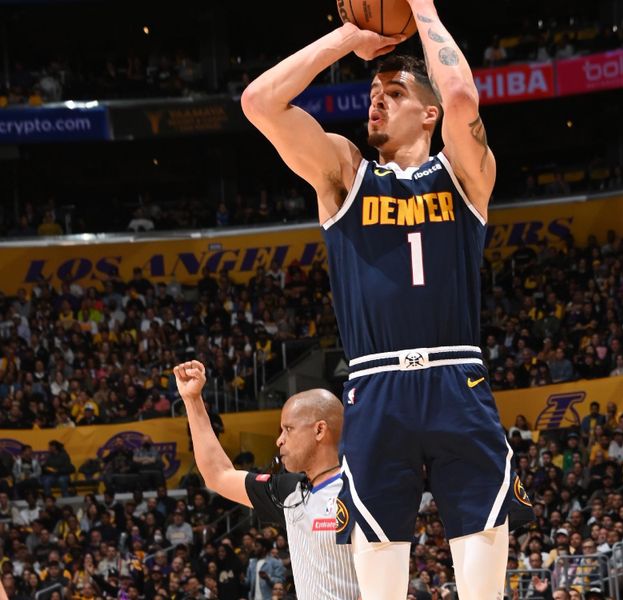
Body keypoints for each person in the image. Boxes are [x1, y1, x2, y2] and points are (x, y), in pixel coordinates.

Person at [241, 2, 534, 598]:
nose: (375, 99)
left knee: (484, 588)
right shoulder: (345, 173)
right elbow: (259, 103)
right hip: (376, 390)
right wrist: (351, 36)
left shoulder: (466, 173)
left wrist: (420, 5)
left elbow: (460, 98)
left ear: (427, 113)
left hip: (458, 382)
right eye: (373, 92)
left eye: (393, 92)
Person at [173, 360, 359, 599]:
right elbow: (218, 475)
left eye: (288, 429)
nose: (279, 440)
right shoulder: (289, 492)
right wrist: (192, 400)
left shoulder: (359, 489)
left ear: (319, 430)